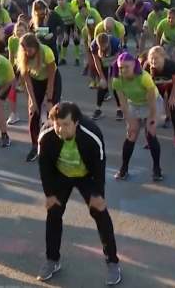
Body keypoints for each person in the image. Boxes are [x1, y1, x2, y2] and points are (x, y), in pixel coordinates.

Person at [36, 102, 122, 285]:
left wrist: (98, 195)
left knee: (100, 213)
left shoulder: (92, 135)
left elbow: (100, 165)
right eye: (57, 124)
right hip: (61, 174)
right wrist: (49, 194)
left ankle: (113, 262)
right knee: (53, 213)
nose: (60, 129)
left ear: (76, 123)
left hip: (86, 176)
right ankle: (53, 260)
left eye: (66, 124)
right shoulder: (46, 136)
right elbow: (44, 166)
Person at [111, 53, 164, 182]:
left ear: (134, 65)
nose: (123, 70)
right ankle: (124, 169)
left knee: (150, 133)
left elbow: (151, 101)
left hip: (151, 103)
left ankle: (157, 169)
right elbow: (122, 102)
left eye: (126, 67)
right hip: (134, 104)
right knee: (131, 134)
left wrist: (151, 118)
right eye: (120, 67)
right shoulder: (117, 79)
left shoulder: (144, 78)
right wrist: (129, 121)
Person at [17, 33, 61, 162]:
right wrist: (32, 101)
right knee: (33, 113)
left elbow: (51, 78)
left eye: (29, 49)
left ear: (36, 47)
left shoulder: (46, 52)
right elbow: (27, 81)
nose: (27, 52)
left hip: (51, 80)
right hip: (35, 81)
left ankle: (53, 144)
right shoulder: (22, 56)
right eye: (24, 49)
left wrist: (49, 99)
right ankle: (34, 145)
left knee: (52, 112)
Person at [145, 46, 175, 149]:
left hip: (172, 85)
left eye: (156, 58)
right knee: (150, 111)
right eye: (151, 58)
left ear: (163, 58)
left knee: (173, 108)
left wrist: (172, 97)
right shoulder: (146, 67)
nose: (153, 61)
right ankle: (150, 138)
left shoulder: (171, 66)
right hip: (156, 86)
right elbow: (145, 84)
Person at [90, 33, 124, 121]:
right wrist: (102, 77)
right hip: (103, 62)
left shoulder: (115, 43)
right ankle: (98, 109)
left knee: (115, 85)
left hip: (116, 61)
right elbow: (96, 61)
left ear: (108, 44)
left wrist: (115, 75)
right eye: (101, 47)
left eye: (104, 47)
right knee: (102, 84)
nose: (103, 49)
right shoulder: (94, 45)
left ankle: (120, 109)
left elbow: (119, 59)